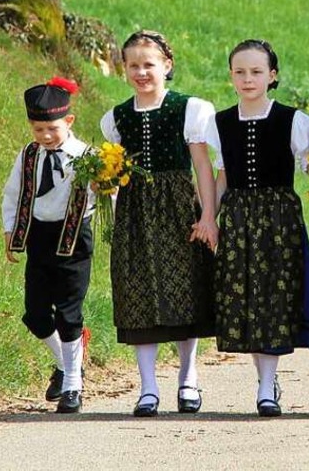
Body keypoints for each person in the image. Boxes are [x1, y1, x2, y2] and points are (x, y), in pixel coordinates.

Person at [198, 39, 309, 418]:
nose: (247, 78)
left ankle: (266, 386)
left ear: (272, 76)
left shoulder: (292, 120)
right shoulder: (219, 123)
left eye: (256, 71)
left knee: (274, 298)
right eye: (239, 72)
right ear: (231, 77)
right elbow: (222, 178)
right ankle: (265, 381)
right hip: (238, 218)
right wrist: (209, 216)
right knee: (249, 300)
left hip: (278, 220)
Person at [100, 30, 218, 417]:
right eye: (133, 65)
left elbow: (202, 165)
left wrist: (207, 214)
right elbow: (115, 174)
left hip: (178, 207)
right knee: (137, 295)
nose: (140, 72)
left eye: (148, 64)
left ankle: (188, 377)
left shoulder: (189, 109)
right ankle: (147, 387)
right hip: (135, 213)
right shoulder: (116, 118)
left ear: (166, 65)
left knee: (184, 289)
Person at [1, 76, 94, 414]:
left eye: (51, 129)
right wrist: (10, 231)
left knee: (69, 313)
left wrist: (109, 181)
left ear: (68, 121)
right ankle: (68, 363)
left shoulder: (87, 157)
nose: (44, 136)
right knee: (36, 314)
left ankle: (73, 384)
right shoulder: (28, 155)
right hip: (39, 238)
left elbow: (109, 193)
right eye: (38, 129)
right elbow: (13, 194)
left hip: (74, 240)